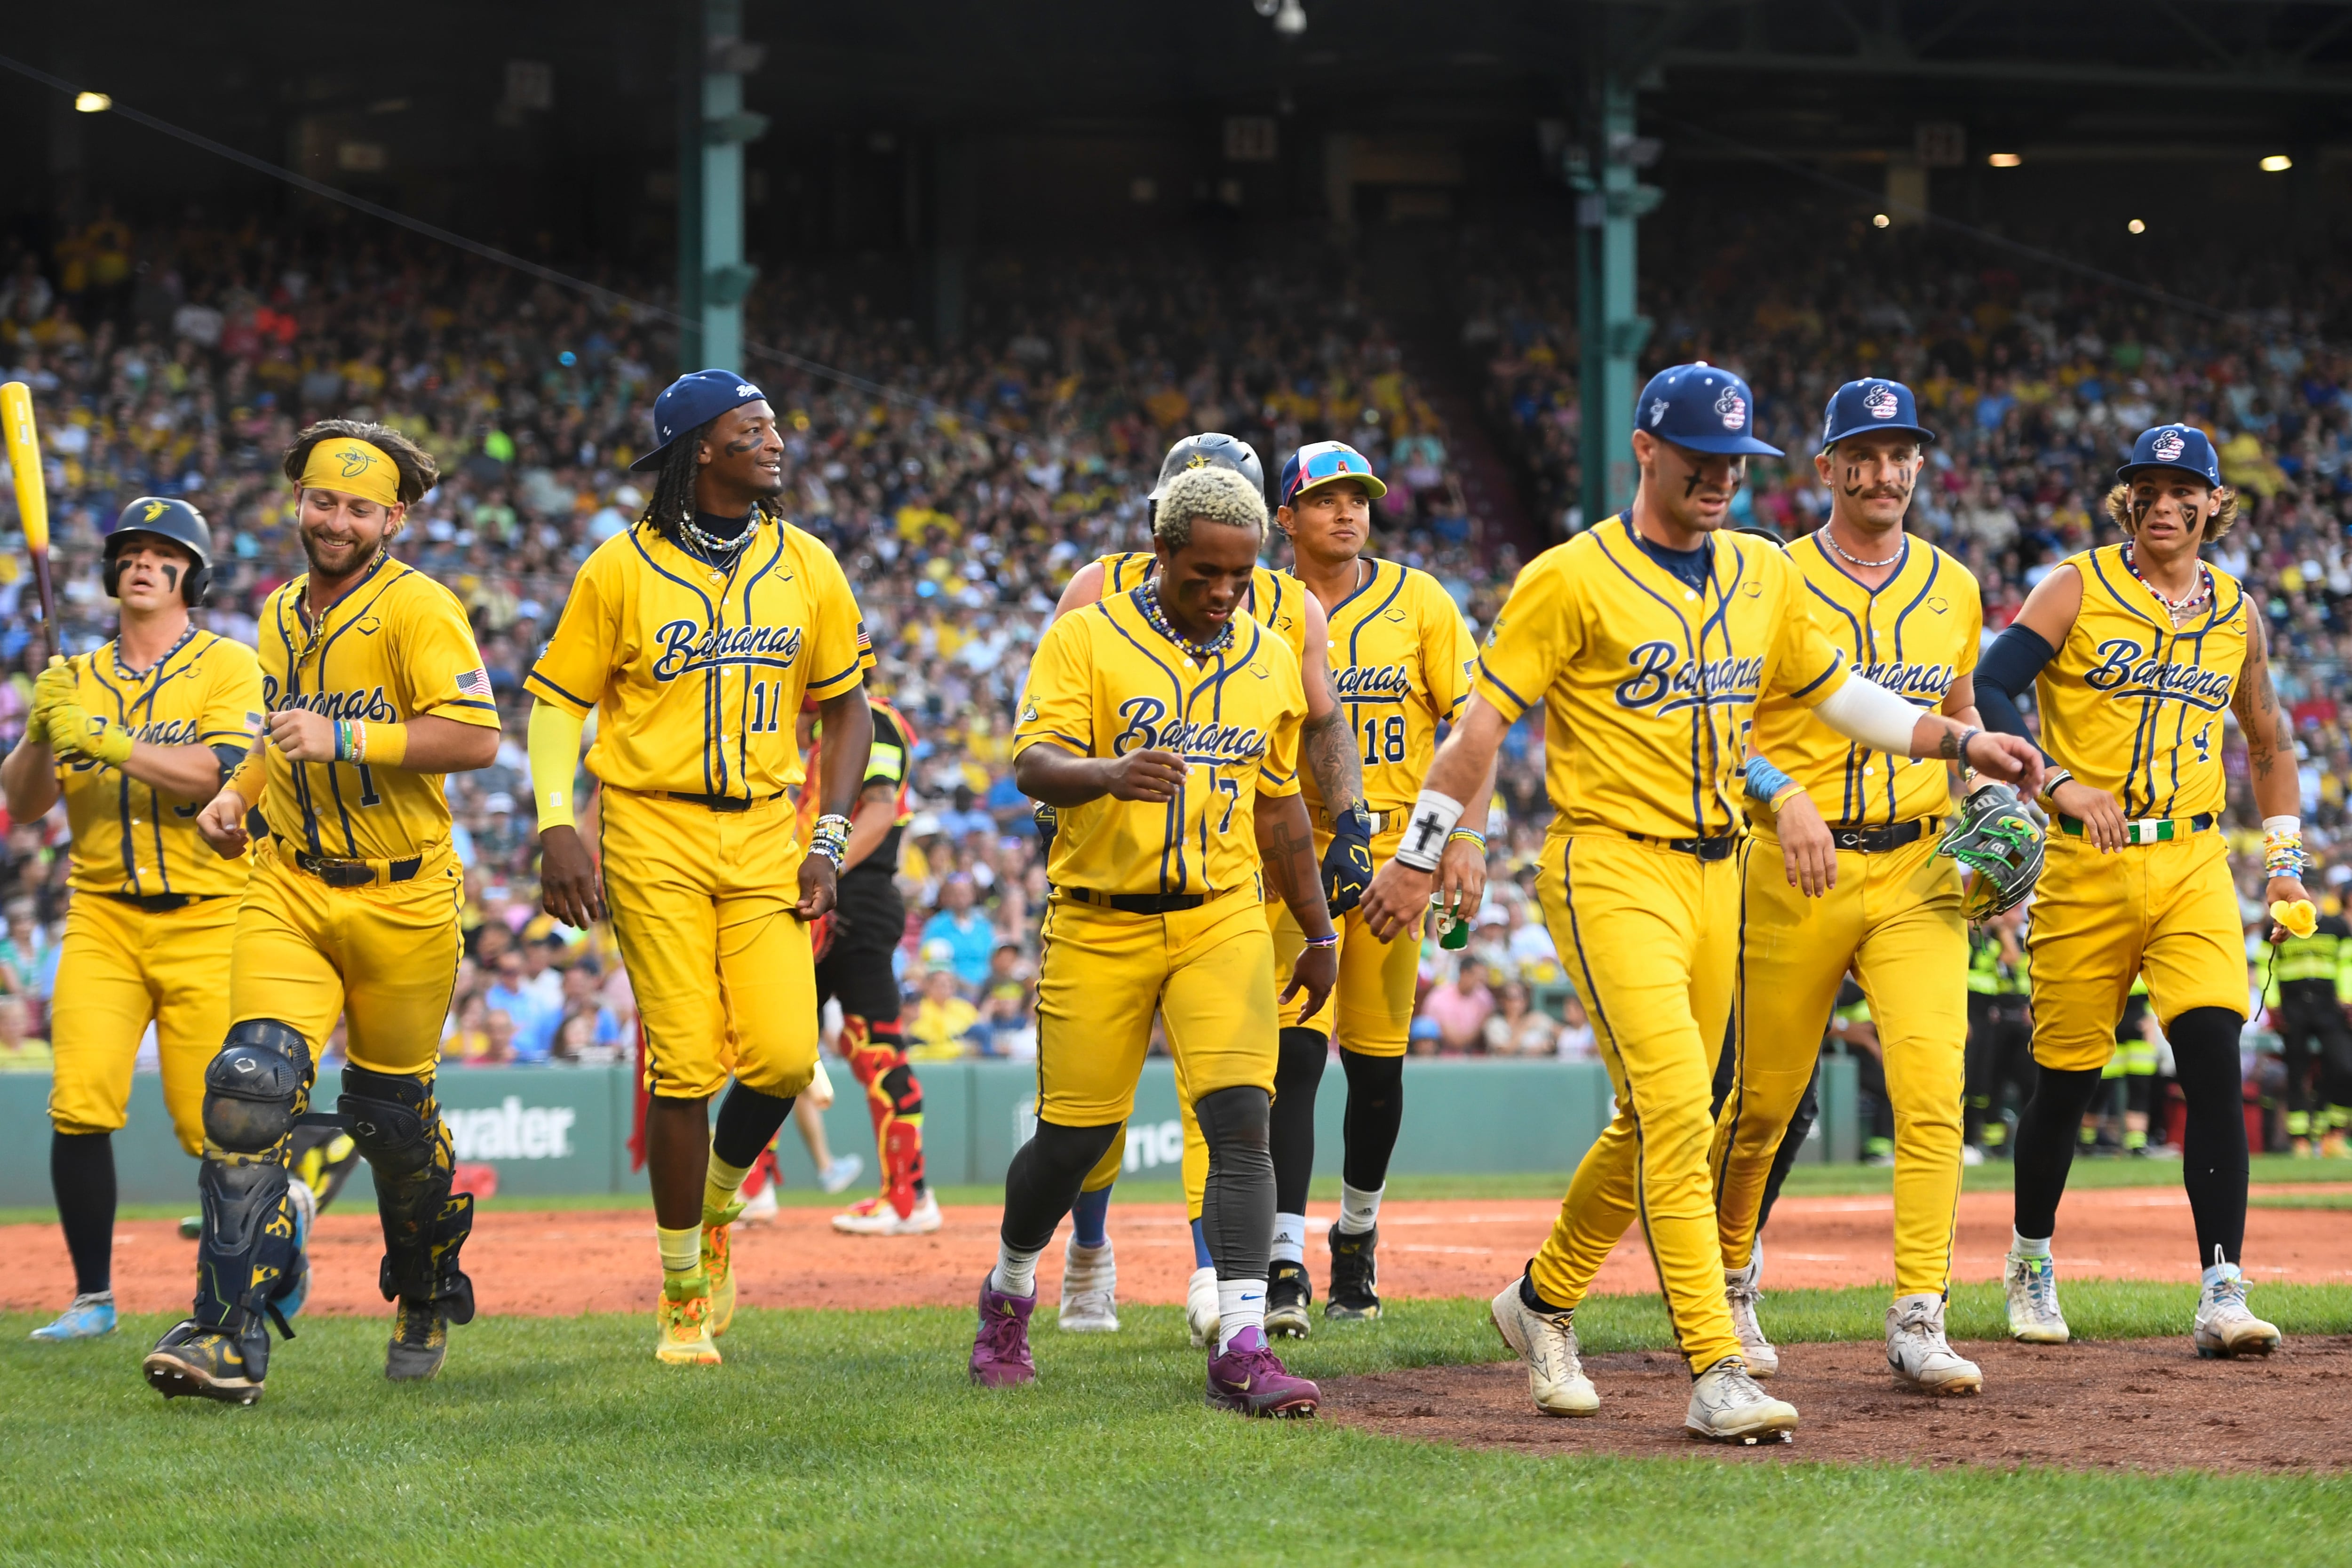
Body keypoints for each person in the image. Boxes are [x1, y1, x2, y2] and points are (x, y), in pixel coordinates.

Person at [1359, 363, 2042, 1442]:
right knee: (1687, 1107)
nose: (1719, 478)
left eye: (1734, 462)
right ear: (1645, 450)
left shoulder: (1758, 577)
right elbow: (1480, 727)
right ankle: (1717, 1363)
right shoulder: (1569, 576)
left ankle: (1539, 1301)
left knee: (1656, 1117)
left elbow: (1840, 695)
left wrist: (1962, 740)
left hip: (1718, 871)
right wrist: (1419, 852)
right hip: (1609, 867)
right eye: (1698, 459)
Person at [143, 422, 502, 1402]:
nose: (335, 520)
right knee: (247, 1084)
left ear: (393, 517)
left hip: (405, 894)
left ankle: (425, 1284)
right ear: (297, 499)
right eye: (321, 499)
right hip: (289, 883)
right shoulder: (277, 611)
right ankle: (225, 1335)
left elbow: (475, 738)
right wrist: (241, 790)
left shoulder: (421, 609)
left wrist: (344, 733)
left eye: (358, 507)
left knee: (392, 1121)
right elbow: (280, 731)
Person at [973, 461, 1335, 1415]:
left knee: (1239, 1122)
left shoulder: (1266, 653)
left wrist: (1316, 927)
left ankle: (1244, 1340)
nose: (1221, 593)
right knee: (1071, 1139)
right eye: (1201, 573)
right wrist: (1106, 772)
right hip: (1098, 916)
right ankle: (1010, 1288)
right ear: (1161, 553)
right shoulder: (1087, 637)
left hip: (1219, 914)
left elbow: (1282, 802)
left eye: (1239, 576)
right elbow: (1030, 761)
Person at [528, 369, 874, 1367]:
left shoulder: (806, 562)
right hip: (651, 829)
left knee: (780, 1055)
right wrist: (560, 824)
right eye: (752, 429)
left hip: (769, 826)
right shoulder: (618, 570)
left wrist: (828, 836)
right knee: (683, 1061)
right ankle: (683, 1288)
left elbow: (845, 704)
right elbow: (557, 703)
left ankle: (718, 1197)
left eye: (772, 426)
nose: (775, 441)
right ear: (700, 450)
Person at [1974, 422, 2300, 1356]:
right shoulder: (2076, 583)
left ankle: (2222, 1286)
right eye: (2146, 488)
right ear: (2126, 500)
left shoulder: (2236, 609)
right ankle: (2031, 1257)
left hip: (2194, 860)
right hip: (2085, 859)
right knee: (2066, 1082)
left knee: (2211, 1054)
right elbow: (1991, 687)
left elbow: (2269, 745)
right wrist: (2057, 782)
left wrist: (2284, 861)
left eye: (2181, 488)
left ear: (2212, 503)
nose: (2164, 503)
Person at [1043, 432, 1367, 1345]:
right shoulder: (1092, 595)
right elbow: (1048, 734)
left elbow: (1321, 726)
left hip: (1233, 876)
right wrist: (1076, 793)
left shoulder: (1290, 609)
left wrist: (1349, 824)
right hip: (1112, 875)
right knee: (1092, 1110)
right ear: (1162, 527)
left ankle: (1217, 1285)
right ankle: (1089, 1248)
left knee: (1230, 1095)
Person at [1708, 379, 1988, 1394]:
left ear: (1919, 464)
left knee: (1932, 1093)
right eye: (1860, 455)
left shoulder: (1954, 584)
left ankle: (1921, 1311)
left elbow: (1955, 721)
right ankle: (1729, 1277)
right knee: (1762, 1103)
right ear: (1824, 467)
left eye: (1899, 453)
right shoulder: (1764, 575)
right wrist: (1780, 792)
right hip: (1792, 869)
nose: (1882, 472)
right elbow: (1716, 727)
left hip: (1917, 866)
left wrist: (1981, 821)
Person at [6, 498, 265, 1343]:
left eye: (166, 553)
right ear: (113, 571)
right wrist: (44, 732)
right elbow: (24, 800)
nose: (145, 563)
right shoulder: (71, 676)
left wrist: (106, 739)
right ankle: (92, 1297)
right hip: (103, 916)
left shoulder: (228, 664)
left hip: (208, 913)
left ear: (193, 574)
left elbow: (215, 771)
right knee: (79, 1101)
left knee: (212, 1122)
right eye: (132, 552)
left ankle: (252, 1269)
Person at [1259, 439, 1489, 1333]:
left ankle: (1355, 1233)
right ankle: (1284, 1258)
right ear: (1287, 517)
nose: (1348, 511)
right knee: (1294, 1059)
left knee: (1378, 1066)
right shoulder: (1258, 603)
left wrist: (1462, 836)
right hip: (1291, 858)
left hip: (1398, 859)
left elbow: (1475, 730)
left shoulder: (1421, 600)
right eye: (1326, 499)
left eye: (1359, 497)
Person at [798, 690, 942, 1236]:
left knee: (876, 1048)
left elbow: (880, 809)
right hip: (828, 899)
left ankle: (908, 1198)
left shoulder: (869, 719)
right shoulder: (826, 728)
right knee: (772, 1045)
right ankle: (753, 1186)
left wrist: (821, 870)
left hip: (849, 899)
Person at [2266, 893, 2352, 1157]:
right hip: (2292, 1008)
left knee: (2344, 1068)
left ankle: (2332, 1133)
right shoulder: (2279, 923)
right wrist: (2272, 1005)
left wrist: (2348, 1000)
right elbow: (2264, 965)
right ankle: (2300, 1140)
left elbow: (2347, 965)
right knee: (2297, 1073)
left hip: (2329, 1008)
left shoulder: (2336, 927)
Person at [1965, 905, 2035, 1159]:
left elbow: (2011, 958)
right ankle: (1964, 1142)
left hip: (1986, 1013)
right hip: (1968, 1009)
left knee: (1981, 1083)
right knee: (1969, 1079)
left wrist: (2000, 929)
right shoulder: (1962, 937)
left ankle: (1973, 1142)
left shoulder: (1989, 939)